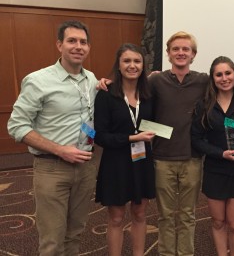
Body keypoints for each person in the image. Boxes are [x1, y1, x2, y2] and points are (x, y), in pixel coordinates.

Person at [7, 20, 98, 255]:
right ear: (59, 45)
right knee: (52, 240)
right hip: (52, 168)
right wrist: (60, 149)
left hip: (86, 167)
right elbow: (17, 126)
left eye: (83, 42)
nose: (78, 46)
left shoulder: (91, 80)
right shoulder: (38, 80)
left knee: (75, 233)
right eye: (72, 41)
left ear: (88, 47)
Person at [148, 31, 209, 256]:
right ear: (168, 53)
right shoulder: (156, 80)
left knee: (187, 215)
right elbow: (130, 94)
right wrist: (105, 82)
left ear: (193, 55)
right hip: (162, 158)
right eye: (176, 49)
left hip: (192, 158)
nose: (181, 53)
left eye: (186, 49)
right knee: (164, 215)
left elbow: (231, 85)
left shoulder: (203, 80)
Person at [93, 43, 156, 256]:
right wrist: (132, 137)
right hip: (115, 163)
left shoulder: (148, 94)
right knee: (117, 217)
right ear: (118, 66)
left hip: (142, 161)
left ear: (143, 65)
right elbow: (99, 136)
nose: (132, 65)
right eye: (127, 61)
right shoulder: (106, 94)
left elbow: (154, 124)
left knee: (139, 214)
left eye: (137, 61)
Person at [191, 56, 234, 256]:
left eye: (228, 73)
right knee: (218, 222)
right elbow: (196, 140)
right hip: (215, 170)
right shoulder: (205, 105)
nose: (224, 78)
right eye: (219, 74)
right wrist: (220, 153)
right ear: (212, 78)